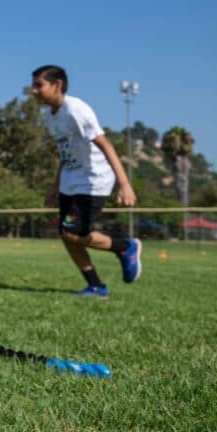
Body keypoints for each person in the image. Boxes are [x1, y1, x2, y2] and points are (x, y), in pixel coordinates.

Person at [30, 65, 141, 298]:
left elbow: (105, 144)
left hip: (93, 180)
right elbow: (65, 152)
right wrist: (54, 186)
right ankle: (96, 286)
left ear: (57, 85)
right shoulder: (49, 116)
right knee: (66, 234)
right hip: (71, 180)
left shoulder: (76, 109)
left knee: (74, 234)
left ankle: (125, 247)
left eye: (39, 85)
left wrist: (124, 183)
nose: (33, 91)